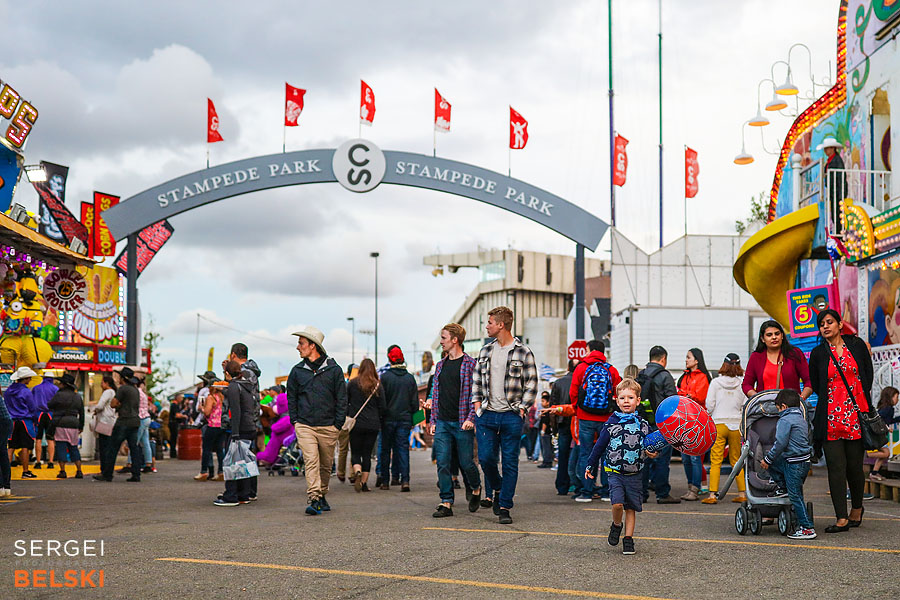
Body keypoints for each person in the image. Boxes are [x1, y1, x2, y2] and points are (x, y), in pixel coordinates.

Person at [472, 306, 537, 525]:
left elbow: (531, 383)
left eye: (489, 322)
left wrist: (522, 408)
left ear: (501, 324)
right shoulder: (485, 351)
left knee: (510, 462)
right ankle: (498, 487)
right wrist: (477, 405)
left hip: (511, 415)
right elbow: (477, 381)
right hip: (487, 414)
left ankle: (505, 506)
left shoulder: (523, 351)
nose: (487, 326)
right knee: (486, 458)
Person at [809, 309, 872, 532]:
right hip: (830, 418)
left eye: (829, 322)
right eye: (821, 324)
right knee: (836, 467)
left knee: (855, 467)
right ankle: (841, 517)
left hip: (856, 415)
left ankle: (857, 508)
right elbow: (816, 384)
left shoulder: (856, 346)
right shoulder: (818, 353)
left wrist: (857, 400)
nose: (825, 326)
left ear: (840, 324)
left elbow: (867, 375)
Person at [585, 378, 656, 556]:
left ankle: (628, 539)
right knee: (617, 504)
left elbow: (651, 447)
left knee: (631, 508)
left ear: (638, 401)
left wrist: (653, 453)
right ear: (616, 401)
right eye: (622, 398)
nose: (626, 401)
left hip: (635, 474)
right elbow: (599, 446)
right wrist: (591, 464)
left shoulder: (644, 425)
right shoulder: (611, 423)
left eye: (630, 398)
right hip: (615, 473)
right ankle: (617, 525)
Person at [287, 326, 347, 515]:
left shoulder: (334, 370)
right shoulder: (297, 371)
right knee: (311, 460)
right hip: (305, 425)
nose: (298, 347)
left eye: (301, 343)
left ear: (313, 346)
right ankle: (314, 497)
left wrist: (337, 424)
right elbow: (292, 397)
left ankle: (322, 494)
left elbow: (342, 398)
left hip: (329, 425)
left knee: (325, 465)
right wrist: (295, 420)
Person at [430, 323, 482, 518]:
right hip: (443, 421)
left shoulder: (470, 364)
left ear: (455, 340)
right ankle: (446, 502)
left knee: (466, 462)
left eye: (443, 338)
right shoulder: (440, 365)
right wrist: (433, 419)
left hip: (462, 422)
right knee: (442, 462)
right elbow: (436, 394)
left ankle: (476, 488)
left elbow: (476, 394)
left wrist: (471, 418)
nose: (441, 342)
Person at [759, 389, 816, 540]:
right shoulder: (801, 418)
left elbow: (780, 443)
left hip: (794, 463)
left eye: (778, 409)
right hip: (803, 461)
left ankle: (807, 528)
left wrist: (768, 459)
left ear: (783, 406)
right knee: (793, 489)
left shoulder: (785, 420)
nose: (778, 412)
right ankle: (783, 488)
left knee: (795, 496)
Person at [571, 339, 622, 502]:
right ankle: (607, 492)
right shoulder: (611, 370)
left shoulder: (581, 367)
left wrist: (577, 409)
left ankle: (587, 491)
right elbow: (618, 391)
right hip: (606, 418)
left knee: (586, 453)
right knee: (607, 453)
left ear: (589, 350)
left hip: (585, 417)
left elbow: (573, 391)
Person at [636, 346, 681, 504]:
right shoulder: (664, 375)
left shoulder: (641, 374)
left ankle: (641, 494)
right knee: (661, 459)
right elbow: (672, 400)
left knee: (644, 458)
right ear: (663, 359)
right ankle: (662, 493)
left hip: (643, 422)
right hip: (662, 424)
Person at [702, 354, 747, 504]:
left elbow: (709, 404)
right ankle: (742, 493)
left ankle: (712, 495)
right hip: (736, 424)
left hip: (718, 424)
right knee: (736, 460)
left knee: (715, 460)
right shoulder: (743, 383)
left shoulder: (715, 383)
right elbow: (745, 405)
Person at [215, 362, 257, 506]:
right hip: (249, 426)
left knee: (232, 461)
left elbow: (236, 410)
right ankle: (243, 494)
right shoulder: (245, 384)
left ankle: (231, 495)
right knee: (243, 462)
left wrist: (235, 433)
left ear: (227, 373)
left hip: (240, 428)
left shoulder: (233, 386)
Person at [379, 345, 419, 492]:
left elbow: (381, 401)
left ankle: (385, 481)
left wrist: (381, 416)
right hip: (405, 419)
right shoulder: (410, 378)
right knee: (402, 449)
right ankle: (405, 480)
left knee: (385, 450)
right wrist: (414, 421)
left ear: (390, 359)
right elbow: (415, 402)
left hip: (388, 419)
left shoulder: (385, 377)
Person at [743, 320, 812, 400]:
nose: (774, 337)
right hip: (764, 409)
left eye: (777, 334)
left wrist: (801, 398)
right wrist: (758, 399)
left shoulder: (795, 354)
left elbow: (809, 380)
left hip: (791, 409)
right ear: (762, 339)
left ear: (782, 336)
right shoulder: (756, 357)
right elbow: (746, 384)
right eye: (769, 335)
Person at [95, 367, 143, 482]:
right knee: (134, 448)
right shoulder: (135, 390)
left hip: (123, 421)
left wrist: (119, 405)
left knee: (112, 448)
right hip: (135, 421)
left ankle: (107, 474)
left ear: (123, 378)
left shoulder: (123, 389)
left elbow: (113, 404)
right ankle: (136, 474)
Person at [676, 348, 711, 501]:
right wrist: (686, 396)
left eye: (688, 357)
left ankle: (695, 488)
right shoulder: (684, 376)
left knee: (695, 457)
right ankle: (691, 487)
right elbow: (680, 395)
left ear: (697, 360)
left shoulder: (703, 377)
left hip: (696, 422)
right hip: (683, 421)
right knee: (685, 457)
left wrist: (686, 395)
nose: (686, 360)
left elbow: (700, 397)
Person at [347, 358, 385, 493]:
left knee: (356, 452)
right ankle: (363, 483)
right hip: (372, 425)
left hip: (356, 424)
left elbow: (345, 402)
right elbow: (383, 407)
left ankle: (357, 470)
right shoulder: (377, 385)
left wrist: (348, 415)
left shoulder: (352, 384)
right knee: (367, 454)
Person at [223, 343, 262, 450]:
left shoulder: (244, 373)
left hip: (242, 423)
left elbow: (235, 394)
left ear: (233, 355)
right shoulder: (250, 372)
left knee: (239, 460)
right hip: (249, 421)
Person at [47, 373, 85, 479]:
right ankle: (79, 470)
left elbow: (50, 405)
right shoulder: (77, 396)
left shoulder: (59, 395)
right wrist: (81, 425)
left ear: (64, 384)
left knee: (61, 447)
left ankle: (63, 471)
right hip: (74, 424)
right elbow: (82, 412)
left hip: (61, 423)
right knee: (74, 447)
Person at [549, 360, 577, 495]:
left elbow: (552, 405)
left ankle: (562, 485)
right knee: (578, 454)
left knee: (563, 454)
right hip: (577, 421)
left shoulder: (558, 383)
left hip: (562, 422)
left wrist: (553, 428)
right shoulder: (581, 381)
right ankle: (576, 482)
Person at [5, 367, 39, 478]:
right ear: (25, 379)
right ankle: (25, 471)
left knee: (11, 446)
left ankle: (5, 471)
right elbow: (32, 407)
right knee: (25, 446)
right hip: (25, 421)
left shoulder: (8, 391)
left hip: (12, 422)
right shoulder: (26, 391)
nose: (30, 380)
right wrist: (35, 420)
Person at [196, 376, 226, 482]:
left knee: (207, 449)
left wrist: (202, 408)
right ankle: (221, 472)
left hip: (212, 425)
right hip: (221, 426)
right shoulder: (222, 397)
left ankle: (204, 472)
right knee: (219, 450)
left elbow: (207, 412)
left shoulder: (211, 397)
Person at [870, 386, 900, 481]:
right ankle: (869, 455)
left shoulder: (887, 408)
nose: (898, 399)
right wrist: (887, 428)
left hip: (879, 436)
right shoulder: (888, 409)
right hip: (877, 436)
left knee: (884, 455)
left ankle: (874, 473)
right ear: (890, 397)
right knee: (886, 453)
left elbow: (889, 420)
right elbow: (880, 420)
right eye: (896, 397)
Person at [31, 373, 58, 470]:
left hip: (39, 415)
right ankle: (50, 462)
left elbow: (32, 402)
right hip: (50, 415)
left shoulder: (36, 388)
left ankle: (38, 461)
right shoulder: (55, 389)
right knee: (50, 438)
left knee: (38, 439)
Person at [822, 137, 846, 233]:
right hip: (833, 190)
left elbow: (840, 176)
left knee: (838, 213)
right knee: (834, 213)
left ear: (832, 149)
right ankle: (837, 231)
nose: (825, 151)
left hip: (837, 190)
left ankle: (840, 232)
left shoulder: (837, 160)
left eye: (827, 148)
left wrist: (841, 192)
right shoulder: (830, 161)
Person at [93, 376, 117, 470]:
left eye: (102, 382)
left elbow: (100, 405)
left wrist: (95, 410)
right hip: (110, 420)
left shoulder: (107, 392)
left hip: (104, 421)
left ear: (107, 383)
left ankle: (104, 469)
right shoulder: (114, 392)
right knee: (108, 445)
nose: (101, 384)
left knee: (103, 446)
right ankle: (106, 468)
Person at [0, 373, 14, 496]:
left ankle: (0, 486)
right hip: (7, 422)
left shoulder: (10, 391)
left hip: (3, 422)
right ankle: (6, 486)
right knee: (2, 453)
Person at [538, 391, 555, 468]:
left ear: (548, 402)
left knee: (545, 447)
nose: (542, 403)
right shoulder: (550, 411)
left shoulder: (546, 412)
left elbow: (544, 423)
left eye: (543, 401)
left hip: (545, 432)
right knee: (549, 447)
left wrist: (542, 431)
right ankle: (548, 461)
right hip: (550, 432)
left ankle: (547, 461)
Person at [168, 393, 188, 458]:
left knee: (173, 438)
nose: (182, 400)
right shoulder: (175, 405)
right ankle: (173, 453)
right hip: (173, 423)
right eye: (181, 398)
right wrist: (183, 416)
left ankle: (173, 453)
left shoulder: (174, 405)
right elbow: (177, 415)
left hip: (172, 423)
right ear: (178, 398)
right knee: (173, 438)